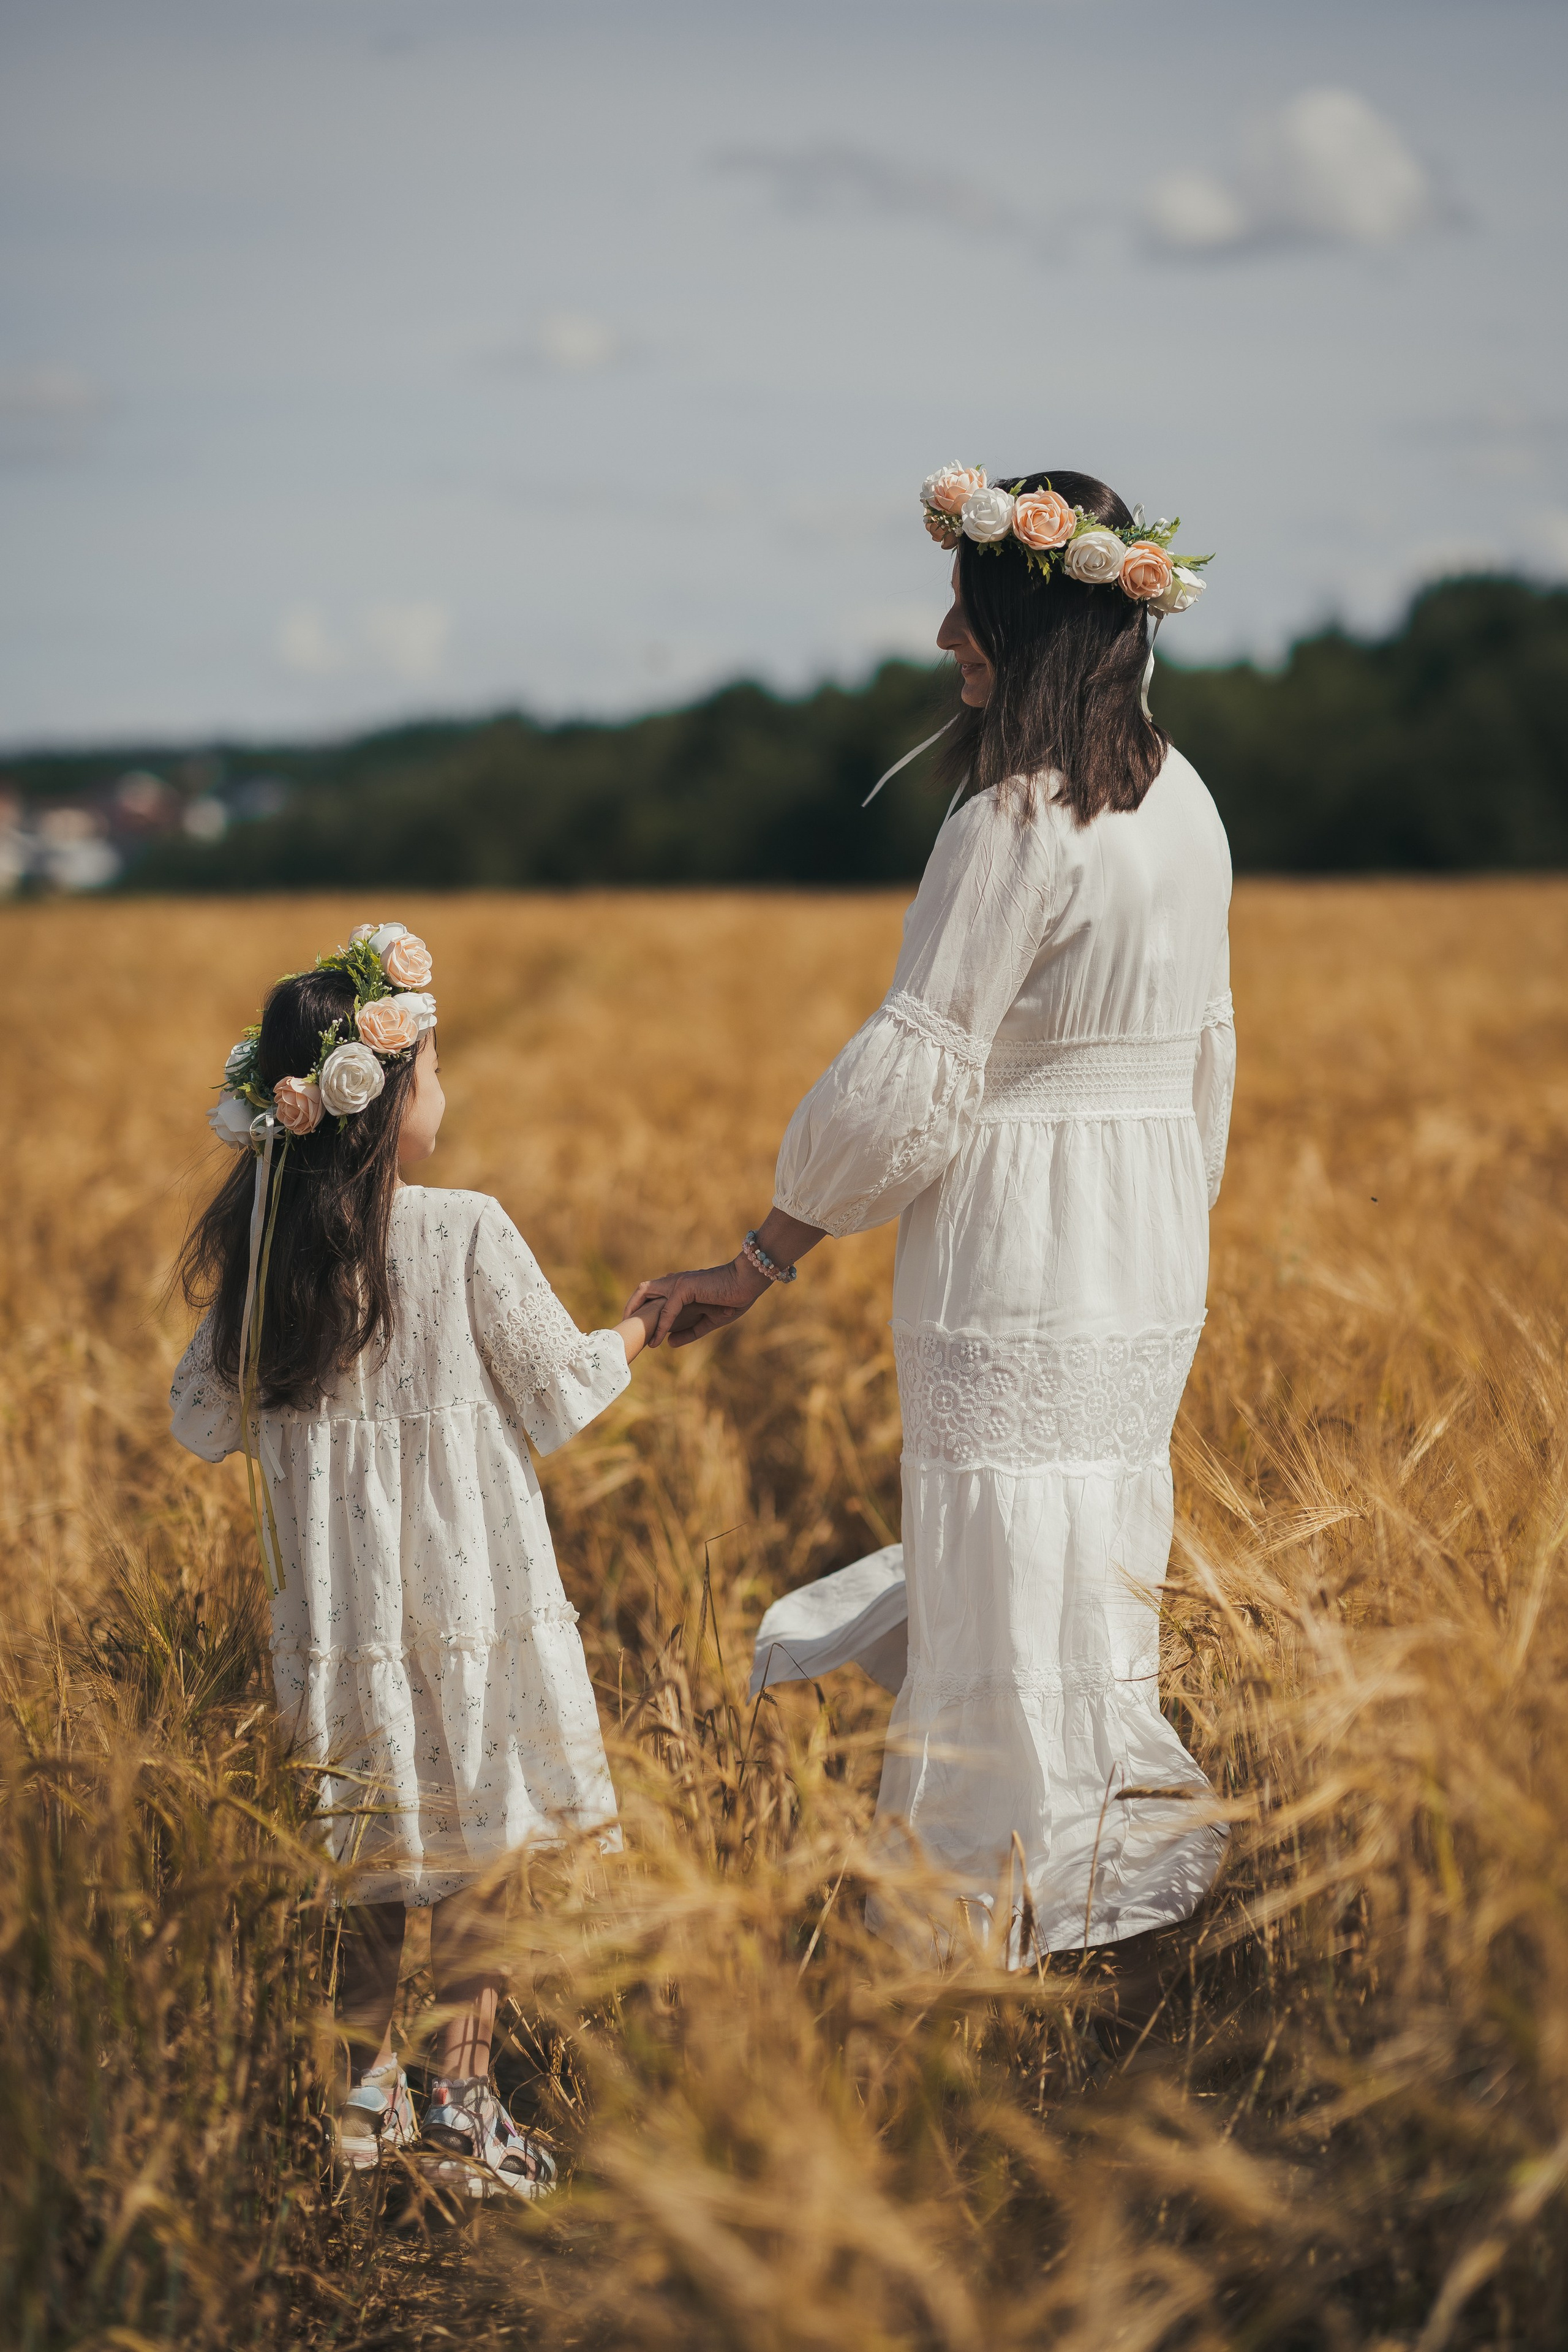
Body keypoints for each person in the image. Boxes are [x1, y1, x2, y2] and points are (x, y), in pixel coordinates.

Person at [630, 469, 1234, 1964]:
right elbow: (1207, 1057)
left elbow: (916, 1074)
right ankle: (1109, 1910)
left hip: (1019, 1240)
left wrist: (762, 1255)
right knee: (1087, 1559)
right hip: (1143, 1240)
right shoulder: (1186, 803)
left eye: (967, 609)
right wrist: (1171, 1220)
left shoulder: (1015, 819)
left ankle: (975, 1930)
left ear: (1030, 627)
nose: (945, 635)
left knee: (997, 1561)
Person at [170, 922, 657, 2195]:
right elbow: (559, 1390)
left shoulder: (269, 1255)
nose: (445, 1090)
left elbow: (201, 1419)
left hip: (345, 1624)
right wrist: (642, 1326)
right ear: (385, 1103)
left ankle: (361, 2111)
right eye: (433, 1071)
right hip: (475, 1602)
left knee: (376, 1862)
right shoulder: (464, 1230)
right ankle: (462, 2106)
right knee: (485, 1850)